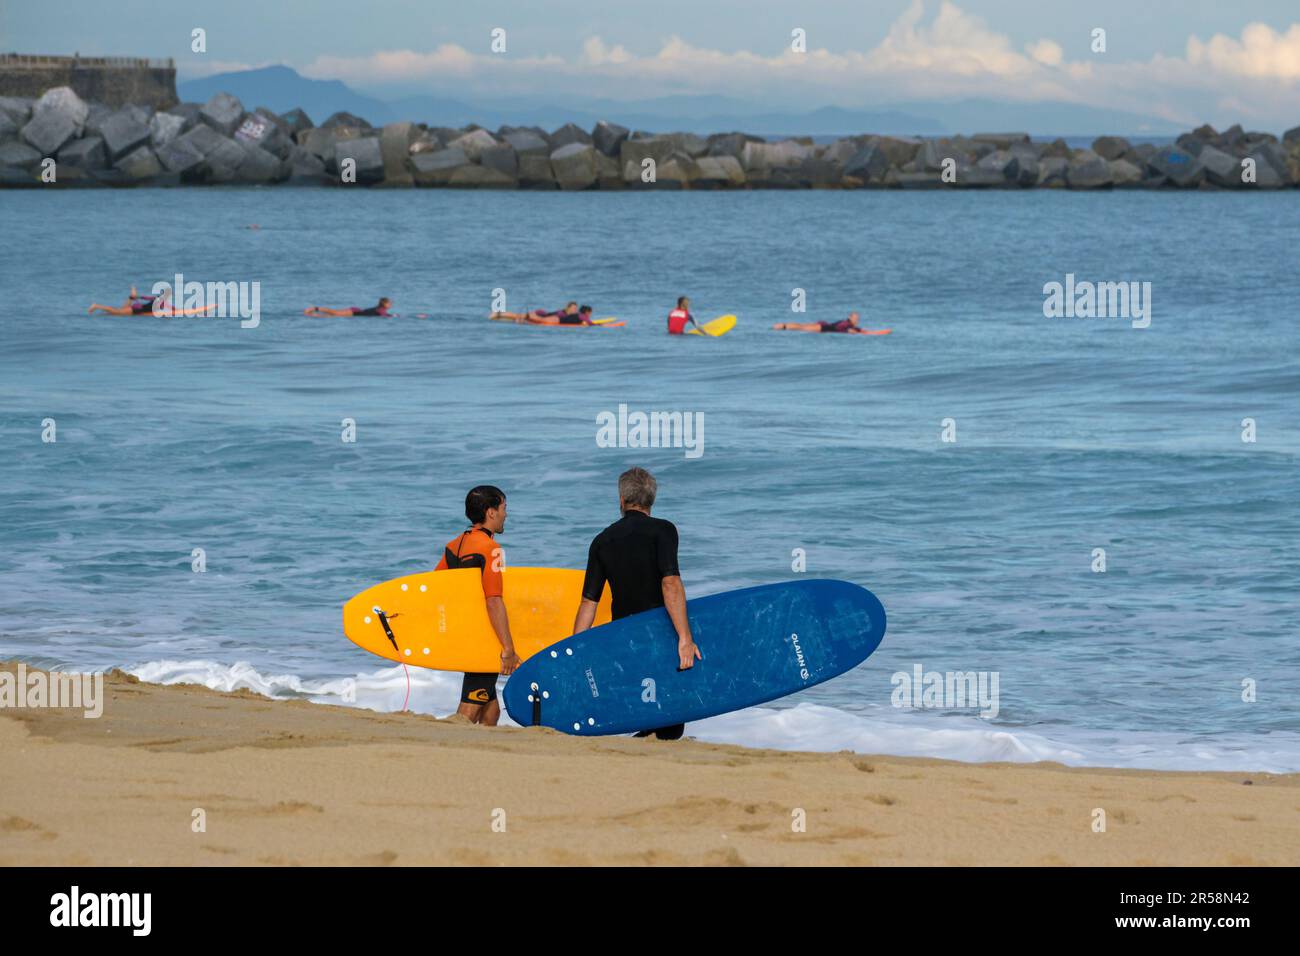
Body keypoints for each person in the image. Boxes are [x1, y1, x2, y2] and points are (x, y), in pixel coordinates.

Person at [571, 467, 701, 740]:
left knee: (647, 702)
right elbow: (670, 584)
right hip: (659, 631)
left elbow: (588, 601)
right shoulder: (663, 530)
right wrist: (684, 637)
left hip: (625, 635)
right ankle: (650, 749)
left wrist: (576, 648)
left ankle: (643, 745)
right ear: (651, 500)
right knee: (671, 714)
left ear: (622, 499)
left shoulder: (602, 540)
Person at [434, 485, 520, 725]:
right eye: (504, 508)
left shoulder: (454, 545)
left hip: (463, 634)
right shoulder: (492, 550)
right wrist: (508, 648)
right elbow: (494, 599)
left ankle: (482, 751)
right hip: (483, 638)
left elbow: (435, 588)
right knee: (470, 709)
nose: (506, 514)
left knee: (491, 711)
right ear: (490, 512)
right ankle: (446, 749)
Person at [87, 285, 215, 317]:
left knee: (117, 312)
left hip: (137, 307)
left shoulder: (158, 299)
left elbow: (149, 299)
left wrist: (138, 297)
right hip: (136, 310)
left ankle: (132, 296)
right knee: (116, 312)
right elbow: (172, 309)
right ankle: (97, 305)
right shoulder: (161, 301)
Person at [772, 311, 890, 334]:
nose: (857, 320)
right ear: (850, 318)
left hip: (824, 326)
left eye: (857, 318)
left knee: (802, 326)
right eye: (855, 318)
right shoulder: (847, 324)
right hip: (824, 328)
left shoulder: (848, 323)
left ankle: (783, 326)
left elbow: (864, 331)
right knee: (802, 328)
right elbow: (845, 329)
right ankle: (783, 326)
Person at [490, 302, 595, 325]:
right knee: (522, 317)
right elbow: (590, 323)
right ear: (587, 312)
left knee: (519, 317)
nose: (575, 310)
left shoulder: (574, 315)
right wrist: (602, 326)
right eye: (573, 308)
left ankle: (499, 314)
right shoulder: (581, 316)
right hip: (550, 318)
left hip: (549, 317)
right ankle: (499, 314)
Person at [304, 297, 393, 317]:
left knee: (331, 316)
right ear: (384, 304)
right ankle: (312, 309)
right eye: (389, 303)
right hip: (353, 312)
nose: (391, 304)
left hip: (355, 312)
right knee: (334, 312)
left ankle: (313, 314)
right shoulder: (381, 310)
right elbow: (382, 314)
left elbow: (382, 314)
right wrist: (392, 316)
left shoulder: (380, 308)